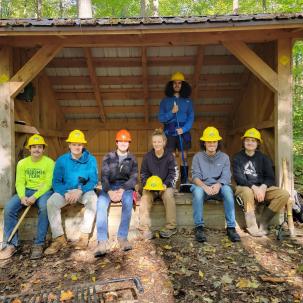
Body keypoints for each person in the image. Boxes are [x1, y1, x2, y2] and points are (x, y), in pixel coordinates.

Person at [0, 134, 54, 260]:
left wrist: (35, 196)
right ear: (29, 149)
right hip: (26, 191)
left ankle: (39, 243)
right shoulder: (22, 163)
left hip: (43, 192)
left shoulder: (49, 163)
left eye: (39, 147)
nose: (36, 149)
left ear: (43, 149)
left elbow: (48, 183)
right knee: (9, 208)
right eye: (33, 147)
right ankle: (11, 245)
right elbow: (19, 182)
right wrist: (22, 196)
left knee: (44, 207)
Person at [44, 130, 98, 255]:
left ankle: (84, 236)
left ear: (83, 145)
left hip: (83, 191)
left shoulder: (91, 160)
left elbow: (94, 180)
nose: (77, 147)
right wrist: (64, 192)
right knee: (51, 202)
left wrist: (80, 190)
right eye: (74, 144)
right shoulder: (61, 160)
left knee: (93, 200)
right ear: (69, 145)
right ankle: (58, 238)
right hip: (66, 191)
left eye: (79, 144)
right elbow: (56, 182)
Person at [233, 128, 289, 236]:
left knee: (284, 194)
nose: (250, 143)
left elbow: (270, 177)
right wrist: (254, 188)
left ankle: (264, 222)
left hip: (262, 188)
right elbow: (239, 178)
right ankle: (252, 226)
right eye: (247, 140)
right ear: (243, 142)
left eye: (253, 140)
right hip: (244, 187)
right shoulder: (237, 158)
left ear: (258, 143)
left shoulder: (264, 158)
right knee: (248, 191)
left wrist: (263, 187)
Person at [190, 126, 240, 243]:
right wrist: (204, 187)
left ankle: (231, 228)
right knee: (197, 192)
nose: (211, 144)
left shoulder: (224, 157)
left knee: (228, 191)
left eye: (214, 141)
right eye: (209, 141)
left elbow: (226, 176)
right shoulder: (198, 157)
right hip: (203, 187)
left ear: (218, 142)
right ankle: (199, 228)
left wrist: (218, 185)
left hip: (220, 187)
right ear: (204, 143)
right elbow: (195, 176)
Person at [94, 129, 138, 257]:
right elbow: (104, 177)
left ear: (129, 143)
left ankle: (122, 237)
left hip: (126, 187)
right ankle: (102, 241)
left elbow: (133, 178)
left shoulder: (132, 159)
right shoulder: (108, 157)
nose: (123, 143)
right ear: (116, 142)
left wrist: (123, 189)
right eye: (121, 141)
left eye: (126, 141)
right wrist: (110, 191)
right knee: (101, 202)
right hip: (110, 186)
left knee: (129, 201)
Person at [139, 129, 179, 239]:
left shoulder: (170, 156)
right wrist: (147, 184)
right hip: (151, 187)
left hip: (165, 186)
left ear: (164, 142)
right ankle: (144, 228)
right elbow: (143, 173)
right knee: (145, 197)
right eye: (154, 142)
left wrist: (166, 184)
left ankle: (171, 227)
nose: (157, 144)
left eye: (159, 141)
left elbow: (174, 173)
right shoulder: (147, 156)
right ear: (152, 143)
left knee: (168, 196)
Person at [158, 72, 194, 185]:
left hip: (184, 131)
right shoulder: (165, 101)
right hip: (169, 131)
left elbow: (191, 117)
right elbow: (161, 118)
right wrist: (171, 112)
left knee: (184, 156)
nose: (177, 85)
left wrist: (184, 129)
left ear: (183, 85)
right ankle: (172, 180)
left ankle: (184, 181)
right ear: (171, 85)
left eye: (180, 83)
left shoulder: (188, 101)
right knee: (171, 156)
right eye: (175, 83)